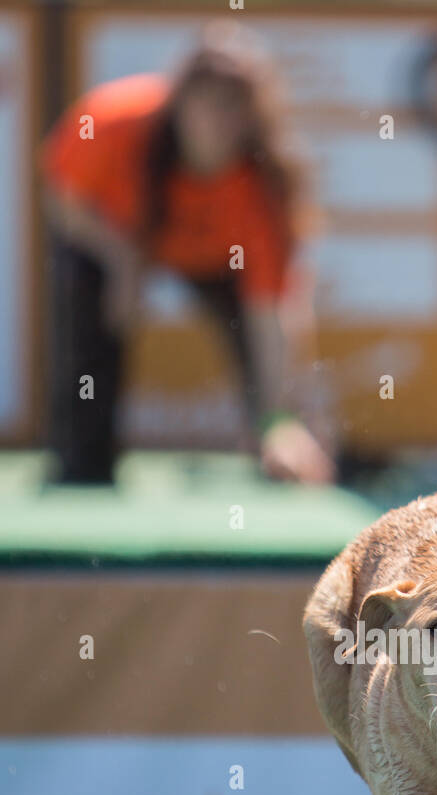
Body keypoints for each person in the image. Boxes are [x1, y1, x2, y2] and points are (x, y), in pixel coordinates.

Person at [39, 26, 334, 485]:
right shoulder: (116, 122)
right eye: (207, 103)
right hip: (118, 241)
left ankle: (276, 449)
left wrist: (279, 419)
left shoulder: (266, 186)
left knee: (261, 360)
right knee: (81, 285)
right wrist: (120, 258)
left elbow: (270, 314)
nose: (219, 122)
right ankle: (84, 462)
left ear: (253, 116)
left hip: (217, 263)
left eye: (233, 107)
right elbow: (63, 202)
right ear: (180, 102)